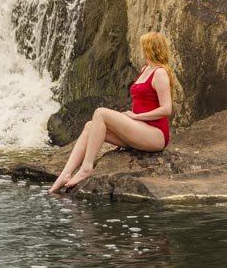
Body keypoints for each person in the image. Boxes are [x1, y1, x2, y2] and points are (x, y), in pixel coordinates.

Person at [48, 31, 175, 194]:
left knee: (100, 113)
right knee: (89, 126)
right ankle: (64, 175)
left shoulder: (160, 73)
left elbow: (166, 109)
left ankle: (86, 167)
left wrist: (136, 116)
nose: (140, 49)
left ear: (149, 49)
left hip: (155, 135)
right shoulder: (145, 69)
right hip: (138, 129)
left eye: (142, 46)